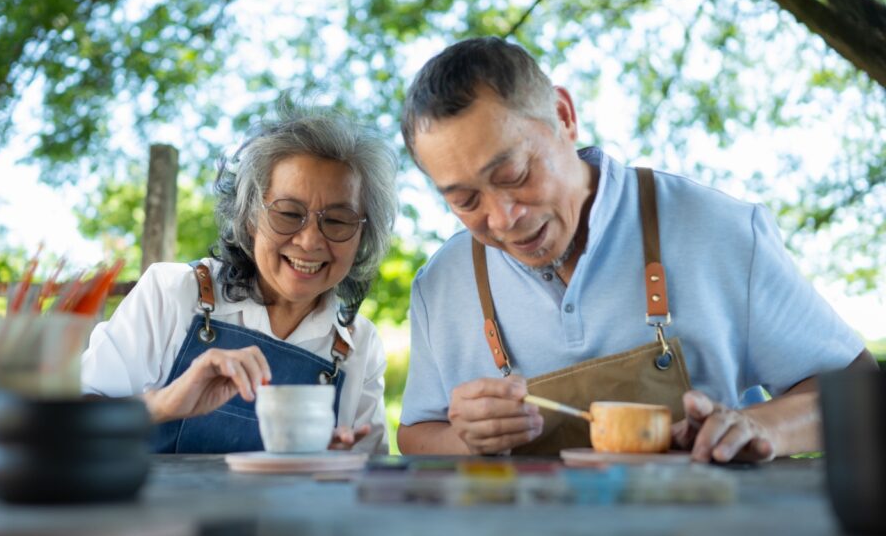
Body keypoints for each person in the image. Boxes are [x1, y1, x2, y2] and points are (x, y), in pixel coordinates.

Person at [396, 37, 876, 462]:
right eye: (465, 200)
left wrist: (760, 426)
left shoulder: (719, 229)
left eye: (515, 175)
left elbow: (857, 390)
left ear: (563, 117)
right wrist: (466, 441)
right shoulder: (441, 284)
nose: (503, 218)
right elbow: (416, 435)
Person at [82, 104, 397, 454]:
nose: (310, 241)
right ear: (249, 218)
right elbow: (63, 423)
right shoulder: (172, 293)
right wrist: (166, 403)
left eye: (338, 221)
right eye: (289, 214)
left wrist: (342, 465)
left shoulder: (359, 345)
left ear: (361, 237)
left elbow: (371, 478)